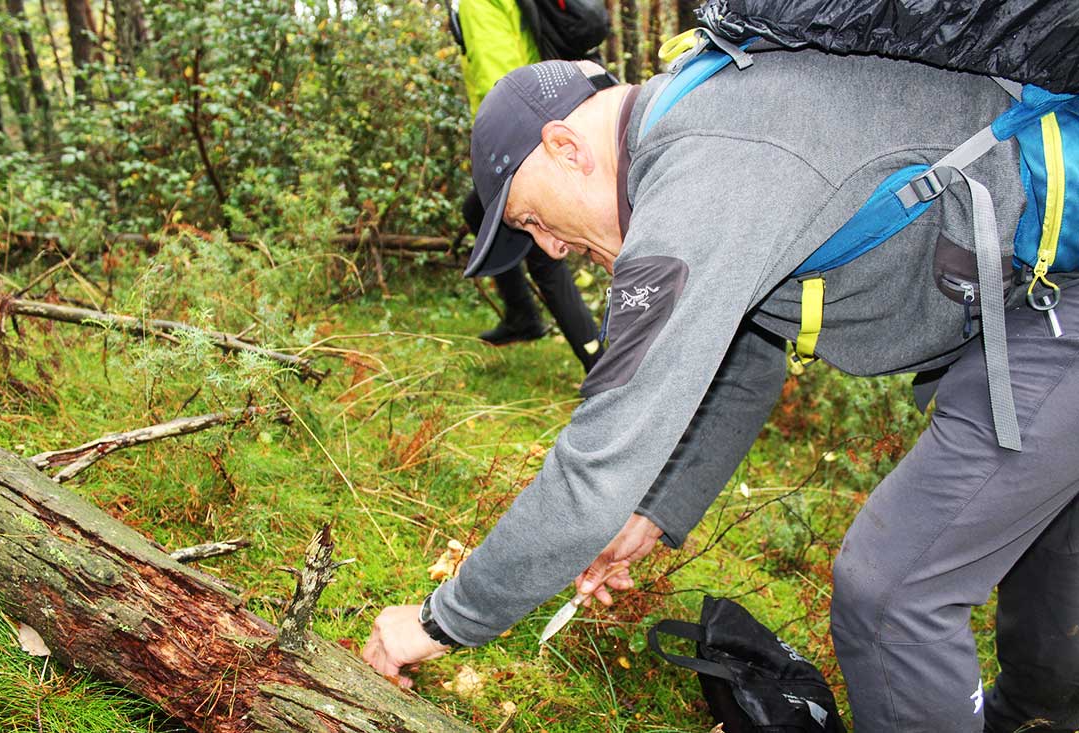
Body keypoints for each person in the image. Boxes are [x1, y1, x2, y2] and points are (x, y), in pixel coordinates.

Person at [362, 52, 1079, 733]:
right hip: (1034, 296)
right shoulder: (704, 125)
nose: (548, 247)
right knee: (1048, 538)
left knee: (890, 593)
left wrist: (438, 621)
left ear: (565, 146)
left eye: (529, 217)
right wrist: (655, 509)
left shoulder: (702, 174)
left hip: (1055, 302)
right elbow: (752, 350)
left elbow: (597, 462)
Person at [457, 0, 602, 372]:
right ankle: (523, 315)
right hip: (550, 120)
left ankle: (600, 365)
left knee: (542, 250)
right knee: (478, 212)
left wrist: (499, 153)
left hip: (524, 136)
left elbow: (500, 82)